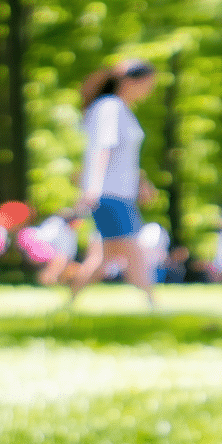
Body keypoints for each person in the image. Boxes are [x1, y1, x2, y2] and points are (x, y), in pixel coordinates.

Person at [71, 58, 160, 306]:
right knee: (133, 249)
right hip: (109, 193)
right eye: (148, 83)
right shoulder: (110, 107)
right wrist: (93, 187)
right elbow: (103, 149)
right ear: (132, 81)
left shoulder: (120, 109)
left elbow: (123, 156)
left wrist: (141, 183)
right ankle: (153, 304)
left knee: (105, 256)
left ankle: (69, 303)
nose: (149, 90)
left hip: (119, 192)